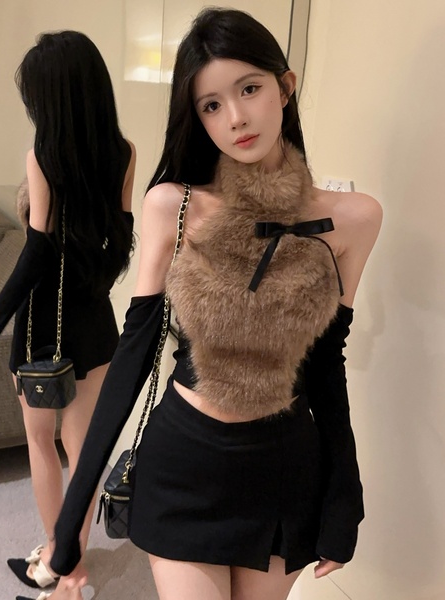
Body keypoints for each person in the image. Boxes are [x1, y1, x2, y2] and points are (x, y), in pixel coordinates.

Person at [43, 8, 382, 600]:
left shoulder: (353, 219)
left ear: (285, 86)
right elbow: (134, 354)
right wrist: (73, 513)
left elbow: (328, 365)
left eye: (249, 89)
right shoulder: (173, 205)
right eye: (211, 105)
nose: (236, 118)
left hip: (283, 470)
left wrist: (344, 498)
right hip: (185, 463)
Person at [0, 30, 136, 596]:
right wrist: (89, 281)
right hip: (95, 321)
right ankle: (68, 559)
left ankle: (60, 561)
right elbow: (121, 242)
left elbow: (35, 256)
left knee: (41, 442)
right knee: (83, 451)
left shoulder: (43, 157)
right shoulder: (123, 152)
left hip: (42, 324)